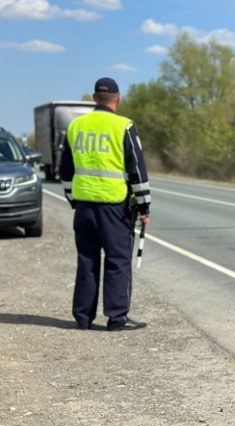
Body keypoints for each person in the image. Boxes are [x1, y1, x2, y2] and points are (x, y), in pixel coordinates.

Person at [60, 77, 151, 331]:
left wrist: (72, 199)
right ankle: (117, 317)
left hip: (84, 207)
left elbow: (65, 169)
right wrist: (144, 207)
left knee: (87, 260)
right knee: (118, 261)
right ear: (118, 99)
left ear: (93, 98)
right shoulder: (124, 126)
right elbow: (137, 170)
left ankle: (83, 317)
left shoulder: (75, 126)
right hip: (114, 207)